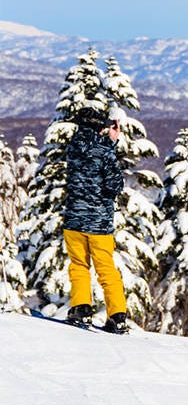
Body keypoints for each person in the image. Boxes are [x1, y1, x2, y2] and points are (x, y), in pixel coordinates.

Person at [63, 106, 129, 334]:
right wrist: (111, 143)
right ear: (100, 125)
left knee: (79, 266)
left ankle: (81, 309)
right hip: (99, 224)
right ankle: (117, 315)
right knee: (106, 269)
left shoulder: (72, 148)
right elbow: (115, 186)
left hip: (73, 220)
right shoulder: (104, 151)